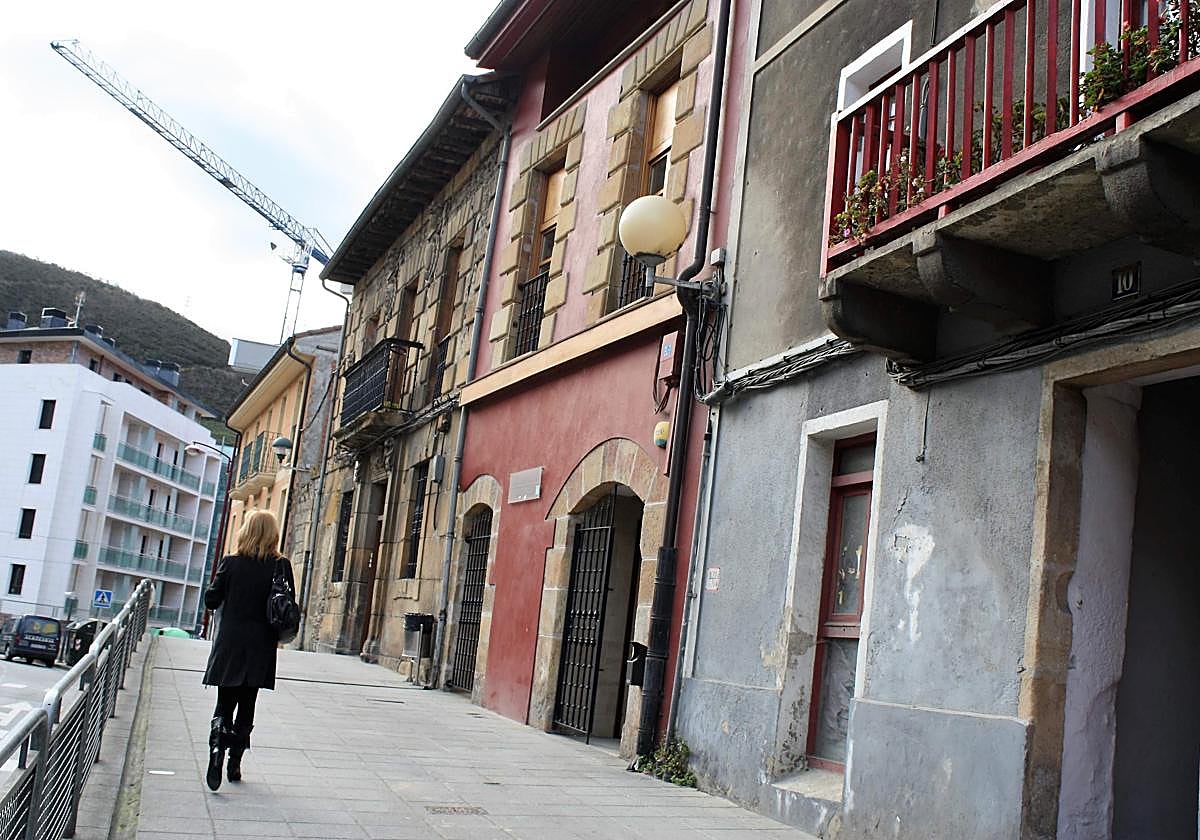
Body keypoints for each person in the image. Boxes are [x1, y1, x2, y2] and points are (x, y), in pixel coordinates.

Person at [201, 509, 294, 790]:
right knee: (248, 703)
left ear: (245, 531)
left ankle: (216, 750)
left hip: (230, 642)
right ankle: (235, 763)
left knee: (224, 701)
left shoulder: (230, 563)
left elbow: (211, 600)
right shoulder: (280, 566)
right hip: (261, 644)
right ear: (273, 535)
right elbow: (287, 605)